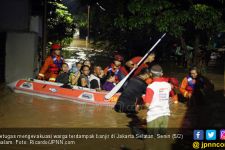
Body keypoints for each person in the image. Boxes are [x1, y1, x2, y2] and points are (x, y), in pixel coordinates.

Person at [144, 65, 171, 135]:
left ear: (150, 74)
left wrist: (141, 106)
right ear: (161, 74)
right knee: (161, 138)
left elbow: (147, 105)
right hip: (165, 115)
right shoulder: (168, 85)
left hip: (154, 116)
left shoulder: (150, 87)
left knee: (152, 139)